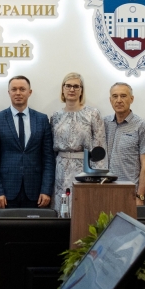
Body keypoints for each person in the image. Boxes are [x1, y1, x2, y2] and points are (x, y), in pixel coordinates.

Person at [0, 76, 55, 209]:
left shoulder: (41, 119)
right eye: (14, 89)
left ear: (30, 92)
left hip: (36, 192)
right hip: (5, 193)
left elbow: (48, 159)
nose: (18, 93)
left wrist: (46, 190)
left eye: (22, 89)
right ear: (9, 92)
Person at [51, 73, 106, 212]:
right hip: (60, 170)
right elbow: (51, 149)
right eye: (68, 86)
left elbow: (99, 147)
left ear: (81, 90)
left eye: (76, 86)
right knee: (61, 208)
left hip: (84, 169)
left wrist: (98, 178)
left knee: (82, 209)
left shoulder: (92, 114)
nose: (72, 89)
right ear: (63, 89)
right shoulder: (55, 116)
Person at [103, 83, 145, 204]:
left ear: (131, 99)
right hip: (105, 189)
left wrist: (140, 196)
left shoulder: (142, 125)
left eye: (123, 96)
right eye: (115, 96)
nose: (119, 100)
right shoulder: (104, 123)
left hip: (130, 192)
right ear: (110, 100)